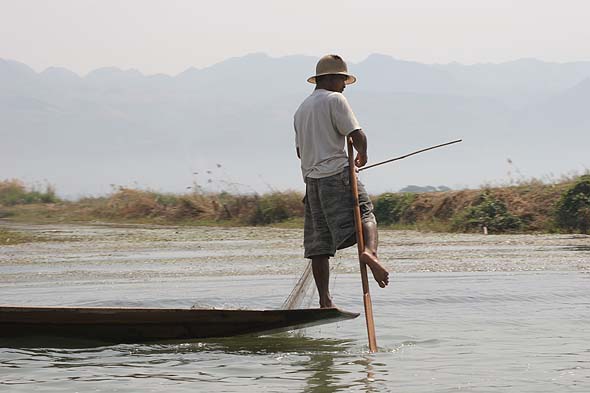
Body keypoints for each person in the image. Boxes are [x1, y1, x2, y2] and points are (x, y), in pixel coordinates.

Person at [294, 54, 389, 308]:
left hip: (312, 182)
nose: (345, 85)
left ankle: (325, 300)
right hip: (338, 175)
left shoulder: (301, 109)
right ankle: (370, 252)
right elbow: (357, 135)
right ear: (331, 79)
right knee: (366, 213)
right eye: (342, 79)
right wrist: (362, 155)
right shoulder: (335, 100)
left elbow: (300, 153)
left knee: (319, 244)